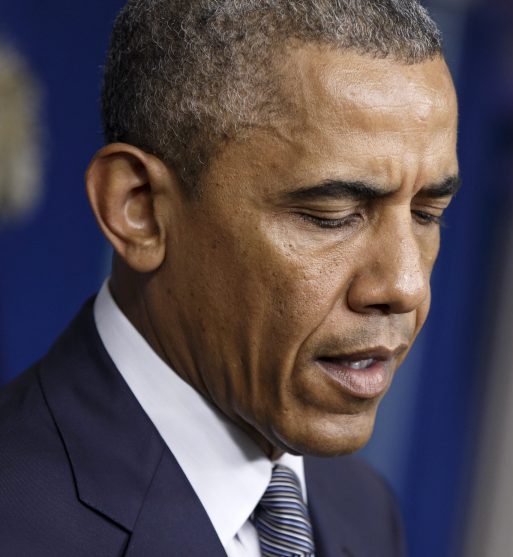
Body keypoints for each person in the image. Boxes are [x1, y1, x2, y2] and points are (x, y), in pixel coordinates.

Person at [0, 1, 459, 556]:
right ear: (138, 209)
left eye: (427, 215)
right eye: (330, 216)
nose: (406, 286)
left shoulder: (360, 507)